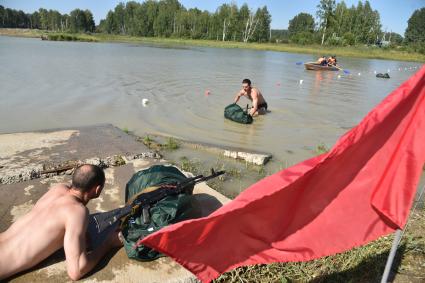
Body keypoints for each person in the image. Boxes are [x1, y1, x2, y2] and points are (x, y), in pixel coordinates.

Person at [0, 164, 122, 281]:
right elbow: (77, 271)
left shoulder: (58, 189)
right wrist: (109, 243)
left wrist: (82, 235)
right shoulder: (77, 211)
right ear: (97, 189)